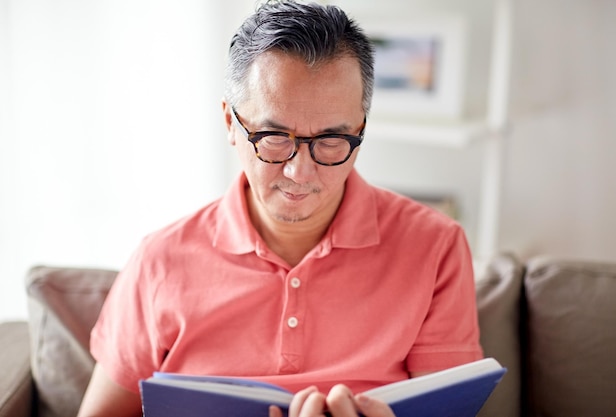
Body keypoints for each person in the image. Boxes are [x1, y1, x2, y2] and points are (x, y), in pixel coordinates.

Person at [77, 1, 483, 416]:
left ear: (361, 129)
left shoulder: (436, 247)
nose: (299, 170)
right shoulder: (158, 261)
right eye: (273, 135)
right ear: (230, 125)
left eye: (330, 139)